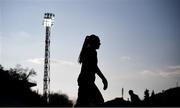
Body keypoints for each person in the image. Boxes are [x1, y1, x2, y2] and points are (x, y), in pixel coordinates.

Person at [75, 34, 108, 107]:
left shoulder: (88, 50)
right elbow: (94, 67)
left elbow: (94, 67)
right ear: (94, 43)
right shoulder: (91, 52)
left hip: (84, 81)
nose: (99, 44)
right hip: (87, 82)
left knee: (82, 103)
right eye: (98, 42)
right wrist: (103, 79)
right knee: (99, 101)